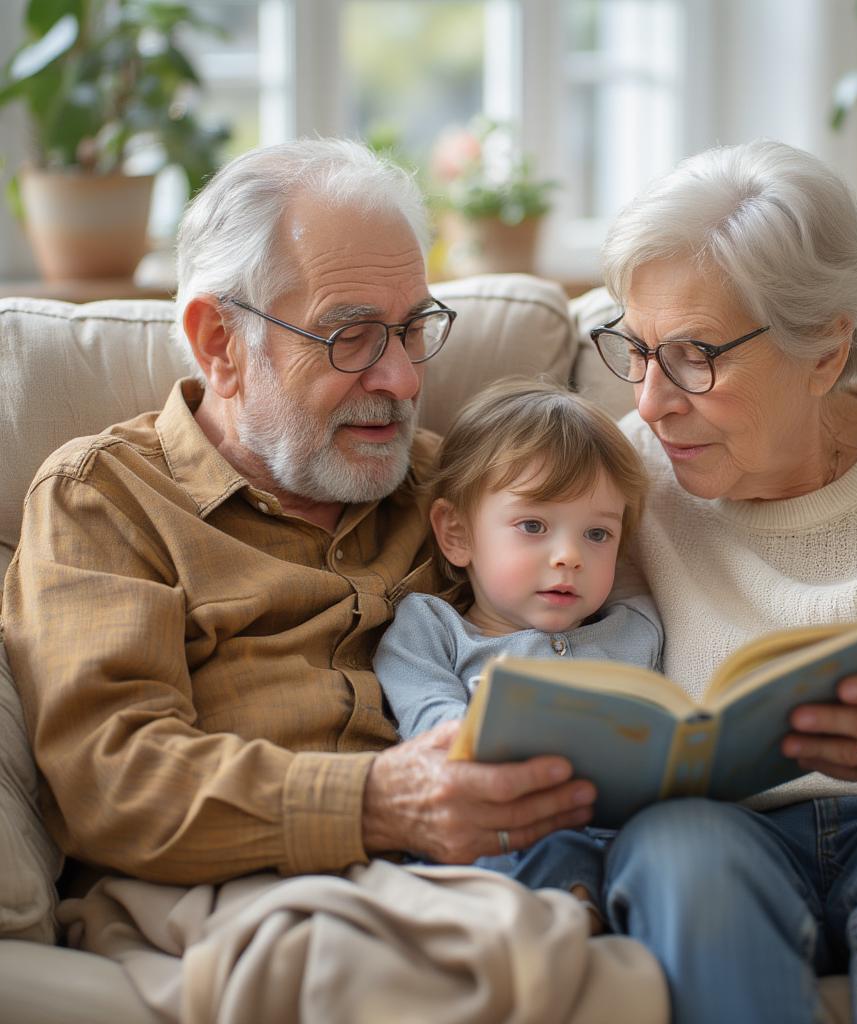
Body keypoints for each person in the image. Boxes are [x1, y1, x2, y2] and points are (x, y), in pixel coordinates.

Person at [2, 138, 598, 890]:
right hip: (234, 899)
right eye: (351, 338)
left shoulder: (458, 491)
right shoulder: (104, 500)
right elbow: (113, 781)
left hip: (476, 880)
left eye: (414, 328)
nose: (405, 378)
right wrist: (380, 803)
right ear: (220, 343)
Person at [589, 139, 857, 1023]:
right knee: (677, 851)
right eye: (634, 350)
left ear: (825, 352)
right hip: (717, 830)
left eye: (694, 356)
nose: (650, 401)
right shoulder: (623, 476)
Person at [373, 378, 662, 915]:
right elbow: (435, 726)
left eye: (597, 534)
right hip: (499, 833)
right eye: (534, 525)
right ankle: (568, 919)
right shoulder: (431, 628)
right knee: (534, 844)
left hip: (625, 842)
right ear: (457, 534)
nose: (569, 556)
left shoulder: (635, 629)